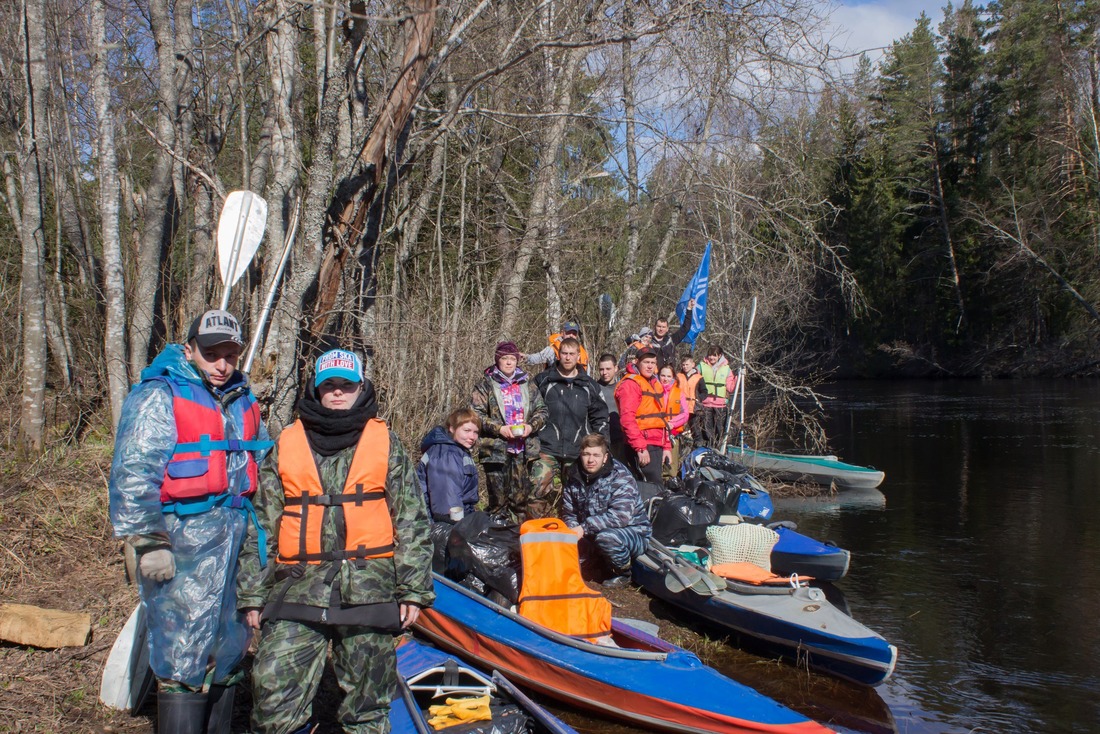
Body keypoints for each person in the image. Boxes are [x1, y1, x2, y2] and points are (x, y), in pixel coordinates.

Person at [237, 349, 434, 734]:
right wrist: (251, 595)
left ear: (361, 389)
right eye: (330, 386)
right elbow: (260, 526)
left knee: (368, 704)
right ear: (316, 389)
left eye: (347, 385)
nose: (338, 393)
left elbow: (411, 519)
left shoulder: (387, 443)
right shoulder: (286, 443)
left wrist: (413, 589)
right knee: (272, 692)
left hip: (369, 586)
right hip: (297, 584)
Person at [108, 308, 271, 733]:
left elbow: (263, 469)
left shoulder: (243, 400)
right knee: (181, 652)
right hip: (181, 542)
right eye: (210, 353)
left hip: (235, 538)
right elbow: (134, 471)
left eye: (229, 355)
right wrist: (148, 541)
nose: (221, 364)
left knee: (230, 648)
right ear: (190, 349)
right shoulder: (159, 394)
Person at [530, 337, 609, 517]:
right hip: (546, 447)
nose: (567, 357)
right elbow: (529, 410)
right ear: (559, 355)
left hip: (577, 450)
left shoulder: (589, 385)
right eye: (564, 353)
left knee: (578, 496)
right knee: (537, 491)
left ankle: (574, 535)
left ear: (578, 356)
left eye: (571, 354)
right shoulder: (543, 380)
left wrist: (602, 446)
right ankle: (537, 533)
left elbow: (601, 417)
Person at [562, 433, 652, 588]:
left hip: (631, 532)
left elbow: (619, 517)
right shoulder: (574, 475)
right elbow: (569, 513)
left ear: (605, 457)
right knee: (564, 557)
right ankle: (597, 562)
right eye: (586, 454)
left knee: (607, 538)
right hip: (590, 533)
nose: (591, 460)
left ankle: (623, 573)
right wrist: (572, 533)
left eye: (596, 455)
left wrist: (583, 528)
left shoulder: (620, 477)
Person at [471, 341, 548, 522]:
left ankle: (519, 542)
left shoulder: (528, 384)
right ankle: (498, 540)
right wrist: (499, 429)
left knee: (521, 502)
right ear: (498, 360)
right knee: (498, 502)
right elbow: (476, 414)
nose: (508, 362)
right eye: (504, 358)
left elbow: (542, 410)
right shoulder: (486, 385)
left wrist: (531, 426)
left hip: (523, 451)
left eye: (512, 358)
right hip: (496, 451)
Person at [614, 348, 671, 485]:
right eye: (646, 362)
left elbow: (662, 419)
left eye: (653, 362)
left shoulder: (654, 383)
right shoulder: (630, 384)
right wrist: (640, 448)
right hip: (642, 445)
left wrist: (667, 447)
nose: (650, 366)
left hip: (656, 443)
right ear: (636, 362)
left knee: (656, 486)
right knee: (646, 487)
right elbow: (627, 419)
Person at [417, 408, 480, 523]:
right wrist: (459, 529)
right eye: (467, 430)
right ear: (452, 428)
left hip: (461, 518)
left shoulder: (457, 451)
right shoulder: (446, 455)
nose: (472, 437)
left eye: (475, 432)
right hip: (446, 524)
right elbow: (448, 505)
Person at [696, 345, 738, 449]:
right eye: (710, 355)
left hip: (720, 405)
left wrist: (737, 378)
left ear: (719, 356)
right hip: (705, 403)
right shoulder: (701, 366)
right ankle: (709, 448)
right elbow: (694, 380)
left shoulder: (726, 369)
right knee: (707, 429)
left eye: (714, 356)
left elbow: (730, 388)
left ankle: (719, 448)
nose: (712, 358)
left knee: (720, 429)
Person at [658, 365, 688, 474]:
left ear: (673, 377)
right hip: (657, 433)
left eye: (668, 376)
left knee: (670, 469)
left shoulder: (678, 393)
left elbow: (685, 414)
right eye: (663, 375)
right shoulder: (653, 391)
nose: (665, 379)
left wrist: (671, 423)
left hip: (672, 434)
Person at [594, 353, 625, 461]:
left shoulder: (623, 387)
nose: (604, 373)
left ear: (616, 368)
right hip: (601, 439)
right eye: (601, 369)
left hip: (621, 439)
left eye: (608, 369)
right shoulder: (594, 388)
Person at [652, 298, 694, 369]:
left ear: (667, 328)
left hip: (669, 376)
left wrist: (689, 309)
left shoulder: (671, 340)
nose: (661, 329)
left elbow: (686, 328)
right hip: (653, 376)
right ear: (655, 327)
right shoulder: (649, 341)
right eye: (659, 326)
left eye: (663, 327)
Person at [676, 354, 707, 443]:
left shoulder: (699, 378)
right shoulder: (678, 376)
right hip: (680, 407)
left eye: (687, 364)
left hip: (693, 408)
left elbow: (704, 391)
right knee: (679, 429)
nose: (685, 367)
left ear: (692, 364)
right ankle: (679, 447)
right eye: (683, 365)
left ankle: (697, 447)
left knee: (695, 430)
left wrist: (699, 398)